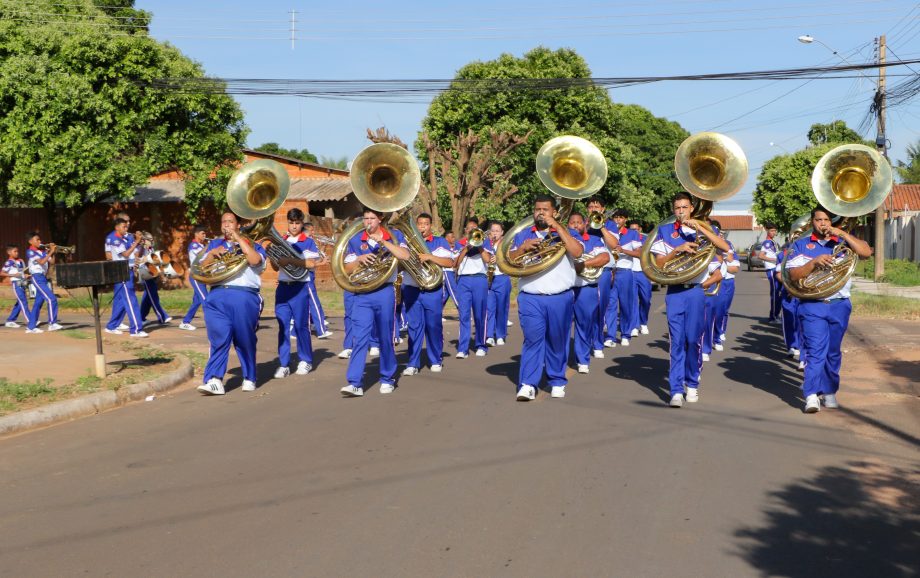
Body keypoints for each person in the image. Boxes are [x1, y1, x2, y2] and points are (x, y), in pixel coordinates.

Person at [785, 206, 871, 413]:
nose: (822, 224)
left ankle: (829, 390)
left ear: (831, 221)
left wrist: (841, 233)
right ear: (811, 222)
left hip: (839, 305)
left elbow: (866, 252)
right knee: (816, 353)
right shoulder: (802, 244)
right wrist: (814, 263)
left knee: (833, 353)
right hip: (813, 304)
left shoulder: (842, 242)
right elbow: (794, 275)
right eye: (818, 220)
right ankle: (811, 395)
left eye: (826, 220)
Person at [650, 192, 730, 408]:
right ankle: (676, 390)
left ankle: (692, 383)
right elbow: (658, 264)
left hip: (696, 291)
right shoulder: (665, 231)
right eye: (677, 208)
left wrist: (700, 227)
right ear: (673, 210)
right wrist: (677, 250)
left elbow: (724, 248)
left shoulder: (704, 229)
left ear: (692, 208)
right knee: (676, 342)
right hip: (675, 291)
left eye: (685, 207)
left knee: (693, 340)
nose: (681, 212)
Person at [510, 194, 583, 401]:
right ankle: (527, 384)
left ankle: (557, 379)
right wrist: (522, 249)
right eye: (537, 209)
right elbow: (507, 261)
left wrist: (559, 228)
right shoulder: (523, 234)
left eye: (545, 209)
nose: (540, 213)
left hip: (560, 296)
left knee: (557, 340)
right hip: (531, 296)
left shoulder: (566, 232)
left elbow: (577, 252)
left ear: (554, 212)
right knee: (532, 340)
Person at [339, 207, 410, 397]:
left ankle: (387, 378)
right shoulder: (355, 240)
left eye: (372, 218)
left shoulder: (394, 235)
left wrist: (384, 242)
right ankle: (355, 382)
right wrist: (359, 260)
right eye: (365, 218)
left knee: (386, 337)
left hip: (385, 292)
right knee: (359, 337)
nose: (368, 221)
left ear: (380, 218)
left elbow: (405, 256)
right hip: (363, 293)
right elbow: (345, 268)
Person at [197, 211, 267, 396]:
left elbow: (254, 260)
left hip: (244, 296)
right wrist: (212, 253)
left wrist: (238, 238)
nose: (226, 225)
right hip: (217, 295)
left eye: (230, 222)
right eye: (223, 222)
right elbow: (201, 269)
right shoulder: (214, 245)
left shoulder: (254, 244)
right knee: (219, 338)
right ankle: (214, 380)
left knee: (244, 340)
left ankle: (249, 377)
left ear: (238, 224)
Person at [400, 212, 455, 376]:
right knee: (414, 327)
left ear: (431, 226)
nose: (422, 227)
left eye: (425, 224)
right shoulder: (406, 242)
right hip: (411, 289)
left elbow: (449, 262)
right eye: (420, 224)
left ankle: (435, 359)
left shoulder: (439, 242)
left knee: (433, 326)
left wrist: (429, 257)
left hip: (433, 290)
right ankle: (413, 363)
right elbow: (400, 265)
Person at [271, 209, 320, 379]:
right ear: (288, 222)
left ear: (301, 223)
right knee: (283, 326)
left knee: (301, 326)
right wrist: (273, 257)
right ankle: (284, 364)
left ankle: (305, 359)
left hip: (300, 288)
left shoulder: (308, 241)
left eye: (297, 223)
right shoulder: (281, 240)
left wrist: (289, 260)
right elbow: (276, 267)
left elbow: (312, 263)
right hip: (283, 287)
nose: (294, 226)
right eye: (291, 223)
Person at [568, 212, 610, 374]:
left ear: (585, 224)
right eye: (572, 223)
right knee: (561, 328)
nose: (576, 225)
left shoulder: (593, 240)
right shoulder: (562, 240)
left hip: (586, 289)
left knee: (584, 325)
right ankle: (559, 359)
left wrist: (582, 264)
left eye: (579, 222)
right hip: (566, 290)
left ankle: (582, 359)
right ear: (568, 224)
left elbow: (605, 257)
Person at [585, 197, 621, 352]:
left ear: (603, 209)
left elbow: (614, 245)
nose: (593, 208)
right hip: (583, 270)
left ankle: (598, 342)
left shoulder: (610, 224)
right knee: (585, 308)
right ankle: (586, 342)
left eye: (597, 206)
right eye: (590, 206)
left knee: (600, 308)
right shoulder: (581, 222)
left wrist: (601, 226)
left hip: (604, 270)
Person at [454, 216, 492, 358]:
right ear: (465, 230)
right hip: (463, 280)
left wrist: (479, 245)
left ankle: (480, 345)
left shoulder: (484, 242)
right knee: (463, 315)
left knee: (479, 314)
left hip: (479, 279)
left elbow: (488, 260)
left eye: (474, 229)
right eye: (469, 228)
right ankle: (462, 349)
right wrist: (466, 248)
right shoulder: (459, 243)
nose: (471, 230)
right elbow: (455, 264)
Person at [105, 216, 146, 337]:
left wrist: (141, 244)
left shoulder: (125, 238)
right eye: (124, 226)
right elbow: (126, 254)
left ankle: (111, 326)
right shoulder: (115, 239)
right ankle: (136, 330)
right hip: (121, 271)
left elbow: (136, 253)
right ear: (117, 227)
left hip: (128, 270)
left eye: (127, 226)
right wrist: (137, 242)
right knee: (131, 300)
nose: (126, 228)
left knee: (122, 301)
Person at [610, 209, 641, 346]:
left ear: (626, 219)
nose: (618, 220)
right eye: (616, 217)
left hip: (625, 272)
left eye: (621, 217)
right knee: (610, 305)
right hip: (611, 271)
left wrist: (623, 250)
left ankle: (625, 333)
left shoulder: (632, 233)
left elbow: (639, 254)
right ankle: (610, 337)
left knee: (625, 304)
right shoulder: (609, 232)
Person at [24, 232, 62, 334]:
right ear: (30, 241)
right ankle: (52, 323)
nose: (40, 241)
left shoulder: (42, 252)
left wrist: (52, 252)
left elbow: (52, 262)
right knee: (51, 298)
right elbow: (41, 262)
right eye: (37, 240)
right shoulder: (30, 251)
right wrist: (50, 252)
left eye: (40, 239)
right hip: (37, 277)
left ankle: (31, 327)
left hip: (43, 278)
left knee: (38, 303)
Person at [302, 222, 333, 339]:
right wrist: (322, 262)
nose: (314, 233)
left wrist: (323, 249)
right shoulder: (307, 242)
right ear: (307, 230)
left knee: (308, 304)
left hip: (309, 276)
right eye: (312, 230)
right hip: (306, 277)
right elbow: (311, 263)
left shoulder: (309, 242)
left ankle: (313, 324)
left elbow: (315, 258)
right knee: (314, 304)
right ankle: (321, 330)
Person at [711, 236, 740, 353]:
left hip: (725, 281)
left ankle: (718, 334)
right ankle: (708, 342)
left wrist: (721, 264)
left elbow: (735, 269)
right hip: (708, 281)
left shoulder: (727, 245)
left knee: (722, 311)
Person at [484, 220, 511, 347]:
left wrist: (499, 259)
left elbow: (512, 258)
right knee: (489, 308)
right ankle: (489, 335)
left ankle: (500, 335)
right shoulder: (484, 243)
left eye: (497, 231)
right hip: (488, 279)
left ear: (502, 233)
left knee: (502, 308)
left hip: (502, 278)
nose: (495, 233)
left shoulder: (507, 244)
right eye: (492, 231)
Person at [137, 235, 173, 327]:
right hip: (145, 275)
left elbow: (157, 264)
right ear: (144, 240)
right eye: (150, 239)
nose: (152, 240)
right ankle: (162, 317)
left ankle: (141, 318)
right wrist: (142, 249)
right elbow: (137, 259)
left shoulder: (151, 250)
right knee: (153, 297)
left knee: (148, 298)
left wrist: (162, 276)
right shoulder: (141, 249)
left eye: (152, 238)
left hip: (152, 274)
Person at [180, 225, 209, 331]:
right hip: (196, 276)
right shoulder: (194, 246)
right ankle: (212, 323)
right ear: (196, 234)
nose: (205, 235)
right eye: (203, 233)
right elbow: (203, 259)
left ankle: (185, 322)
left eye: (205, 233)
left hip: (202, 276)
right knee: (206, 299)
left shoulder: (202, 246)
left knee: (197, 301)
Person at [629, 222, 652, 336]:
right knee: (632, 300)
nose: (634, 232)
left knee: (646, 299)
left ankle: (643, 322)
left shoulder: (647, 239)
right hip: (631, 272)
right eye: (631, 229)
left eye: (636, 229)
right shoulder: (627, 238)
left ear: (640, 229)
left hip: (644, 273)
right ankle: (634, 325)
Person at [2, 244, 31, 328]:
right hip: (16, 284)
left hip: (23, 283)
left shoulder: (20, 261)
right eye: (15, 251)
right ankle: (30, 320)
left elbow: (21, 272)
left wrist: (25, 275)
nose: (17, 253)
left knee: (20, 303)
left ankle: (10, 320)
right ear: (9, 252)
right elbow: (2, 273)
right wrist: (13, 275)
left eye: (17, 251)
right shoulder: (9, 262)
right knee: (23, 301)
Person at [759, 222, 782, 323]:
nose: (774, 232)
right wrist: (774, 260)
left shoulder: (773, 242)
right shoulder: (767, 242)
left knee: (778, 293)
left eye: (775, 230)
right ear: (767, 230)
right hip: (771, 270)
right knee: (775, 293)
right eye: (772, 230)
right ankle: (772, 317)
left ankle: (776, 315)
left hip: (776, 269)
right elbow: (761, 256)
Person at [441, 230, 461, 311]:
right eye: (452, 237)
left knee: (446, 294)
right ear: (446, 238)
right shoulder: (442, 247)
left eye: (454, 236)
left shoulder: (457, 246)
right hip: (446, 271)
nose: (454, 238)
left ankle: (437, 312)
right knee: (454, 290)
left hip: (453, 272)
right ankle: (461, 310)